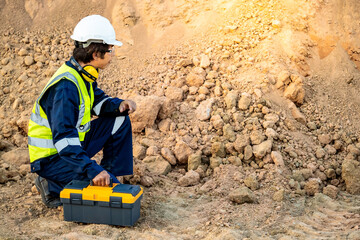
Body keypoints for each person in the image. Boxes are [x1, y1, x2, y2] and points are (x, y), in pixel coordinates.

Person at [28, 15, 136, 208]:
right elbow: (64, 141)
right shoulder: (65, 88)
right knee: (102, 193)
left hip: (71, 146)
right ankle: (52, 185)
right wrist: (92, 170)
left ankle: (110, 175)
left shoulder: (82, 74)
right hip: (53, 158)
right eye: (110, 50)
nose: (112, 54)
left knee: (120, 120)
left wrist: (119, 105)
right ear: (95, 54)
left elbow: (97, 102)